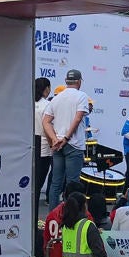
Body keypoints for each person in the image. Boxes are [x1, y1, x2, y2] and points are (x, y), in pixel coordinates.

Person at [43, 69, 90, 210]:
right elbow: (78, 117)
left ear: (66, 81)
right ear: (79, 81)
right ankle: (71, 216)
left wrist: (55, 139)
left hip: (58, 145)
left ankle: (53, 216)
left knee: (56, 183)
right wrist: (66, 137)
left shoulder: (57, 98)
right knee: (72, 184)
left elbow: (46, 121)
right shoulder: (81, 96)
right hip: (73, 144)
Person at [34, 77, 52, 206]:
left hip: (29, 143)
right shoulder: (46, 105)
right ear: (46, 89)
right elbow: (47, 127)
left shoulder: (28, 102)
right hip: (43, 144)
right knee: (38, 182)